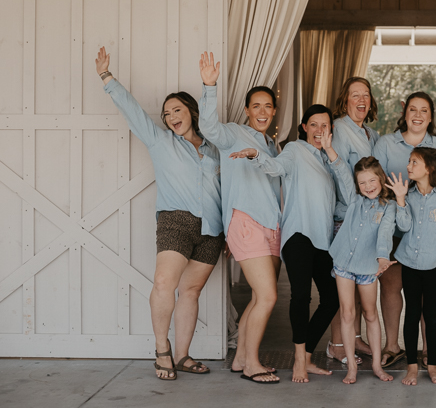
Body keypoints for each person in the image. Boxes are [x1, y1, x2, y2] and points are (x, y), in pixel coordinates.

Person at [95, 47, 223, 381]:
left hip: (212, 227)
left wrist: (209, 86)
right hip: (175, 220)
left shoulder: (213, 148)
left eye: (177, 110)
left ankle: (182, 356)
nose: (170, 116)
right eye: (166, 113)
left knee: (190, 292)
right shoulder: (160, 141)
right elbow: (134, 112)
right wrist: (107, 77)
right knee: (164, 281)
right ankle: (161, 349)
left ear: (191, 112)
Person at [230, 105, 340, 383]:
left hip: (324, 240)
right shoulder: (295, 150)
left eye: (324, 125)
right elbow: (275, 167)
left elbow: (345, 196)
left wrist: (333, 156)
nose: (319, 130)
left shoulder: (332, 159)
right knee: (301, 297)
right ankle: (299, 362)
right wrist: (256, 155)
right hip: (298, 236)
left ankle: (305, 357)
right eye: (313, 124)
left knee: (331, 299)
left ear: (331, 129)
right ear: (304, 127)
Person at [198, 51, 280, 384]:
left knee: (261, 296)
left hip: (271, 227)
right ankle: (252, 364)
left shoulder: (271, 146)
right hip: (246, 223)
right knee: (269, 296)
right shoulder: (233, 133)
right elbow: (208, 127)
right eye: (256, 106)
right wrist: (210, 86)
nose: (262, 111)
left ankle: (241, 359)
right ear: (247, 110)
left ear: (274, 112)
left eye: (267, 106)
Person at [372, 92, 436, 369]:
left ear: (431, 116)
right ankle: (393, 346)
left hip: (429, 228)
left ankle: (426, 350)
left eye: (424, 110)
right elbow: (374, 183)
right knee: (392, 286)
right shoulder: (386, 143)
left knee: (429, 295)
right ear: (404, 112)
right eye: (412, 109)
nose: (418, 115)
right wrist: (398, 205)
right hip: (395, 223)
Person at [386, 147, 436, 386]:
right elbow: (404, 227)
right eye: (409, 161)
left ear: (429, 168)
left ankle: (432, 367)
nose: (408, 166)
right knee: (412, 314)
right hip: (409, 262)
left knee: (431, 315)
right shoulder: (408, 197)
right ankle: (412, 367)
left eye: (414, 162)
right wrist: (399, 199)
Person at [324, 154, 396, 384]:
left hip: (368, 266)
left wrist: (383, 257)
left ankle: (376, 365)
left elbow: (385, 232)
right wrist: (329, 149)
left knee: (370, 313)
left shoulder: (388, 206)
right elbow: (342, 174)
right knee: (347, 313)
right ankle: (352, 367)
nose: (368, 187)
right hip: (344, 262)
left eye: (372, 181)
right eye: (362, 182)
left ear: (381, 179)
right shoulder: (354, 199)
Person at [327, 77, 381, 364]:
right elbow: (341, 176)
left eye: (366, 95)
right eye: (355, 95)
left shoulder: (370, 134)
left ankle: (356, 338)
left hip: (368, 221)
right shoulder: (338, 129)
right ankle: (336, 344)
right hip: (346, 219)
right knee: (344, 289)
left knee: (361, 287)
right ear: (345, 101)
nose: (361, 100)